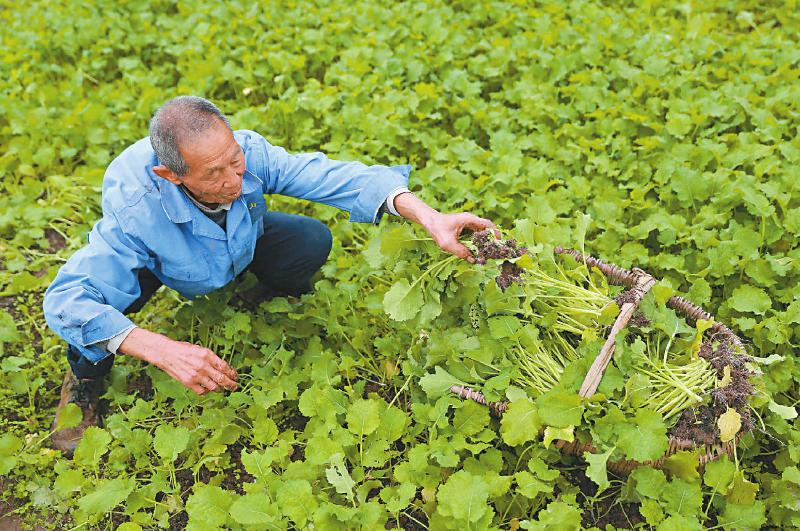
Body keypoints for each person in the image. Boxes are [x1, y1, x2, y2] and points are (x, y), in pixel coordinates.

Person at [43, 96, 496, 453]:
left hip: (235, 245)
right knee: (100, 311)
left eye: (234, 159)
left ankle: (248, 295)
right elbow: (67, 300)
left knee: (310, 241)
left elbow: (335, 177)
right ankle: (85, 380)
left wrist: (428, 216)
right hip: (164, 263)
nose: (233, 178)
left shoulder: (246, 155)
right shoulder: (134, 208)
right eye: (214, 173)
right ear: (170, 175)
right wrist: (161, 348)